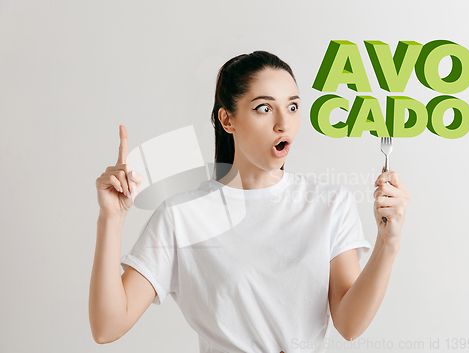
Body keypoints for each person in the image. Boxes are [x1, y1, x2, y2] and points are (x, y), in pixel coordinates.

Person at [90, 51, 411, 352]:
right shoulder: (182, 216)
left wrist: (388, 243)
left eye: (293, 107)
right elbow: (107, 327)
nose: (283, 122)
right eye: (264, 108)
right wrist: (111, 220)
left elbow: (349, 325)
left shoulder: (330, 203)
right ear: (227, 120)